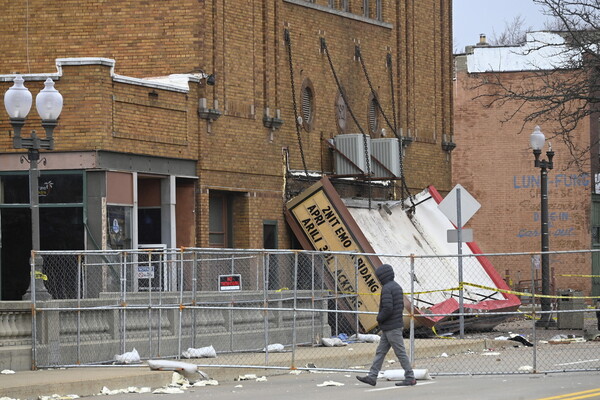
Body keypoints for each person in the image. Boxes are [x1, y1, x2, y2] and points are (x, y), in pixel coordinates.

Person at [356, 263, 416, 387]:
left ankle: (410, 377)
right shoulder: (397, 287)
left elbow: (388, 308)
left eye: (379, 277)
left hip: (391, 327)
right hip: (391, 326)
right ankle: (372, 377)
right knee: (380, 352)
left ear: (383, 276)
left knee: (400, 353)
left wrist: (379, 318)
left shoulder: (387, 288)